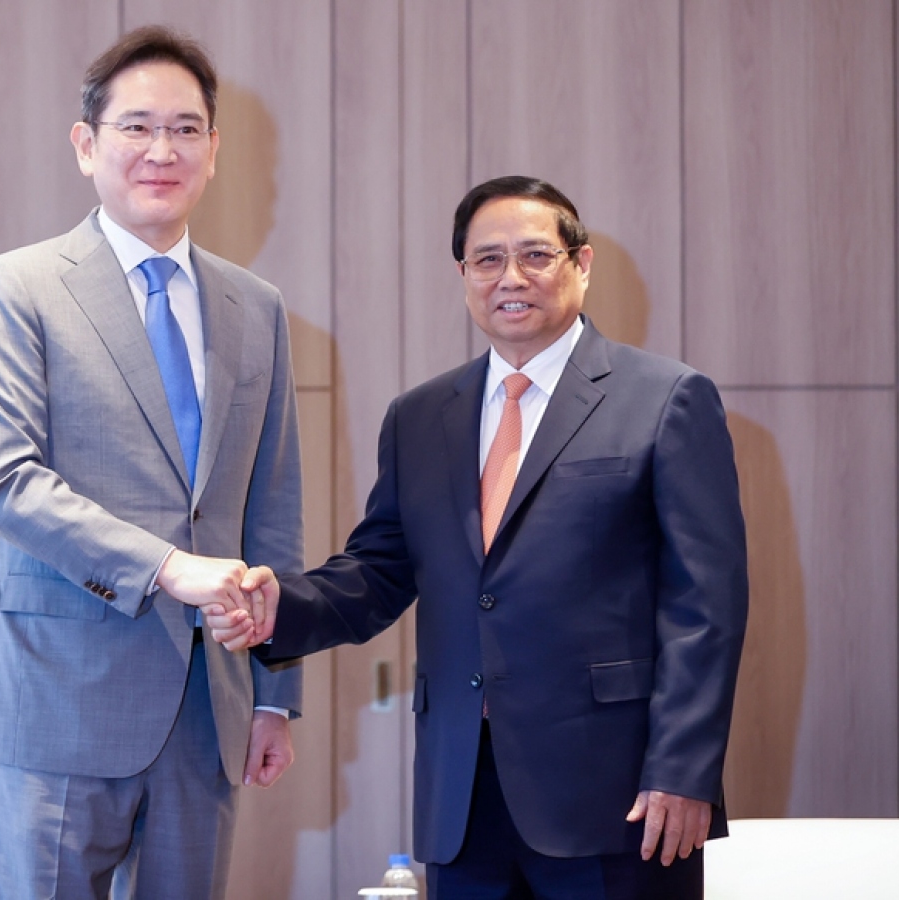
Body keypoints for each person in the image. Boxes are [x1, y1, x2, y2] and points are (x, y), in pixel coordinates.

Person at [210, 176, 748, 899]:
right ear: (463, 275)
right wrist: (282, 606)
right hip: (461, 797)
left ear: (582, 264)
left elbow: (705, 608)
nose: (511, 277)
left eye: (536, 255)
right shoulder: (420, 416)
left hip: (618, 798)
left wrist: (684, 770)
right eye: (487, 259)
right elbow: (379, 571)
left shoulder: (666, 398)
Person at [0, 25, 302, 900]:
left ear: (214, 150)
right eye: (136, 127)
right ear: (86, 145)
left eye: (185, 129)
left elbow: (272, 506)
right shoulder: (16, 288)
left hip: (207, 712)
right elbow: (3, 478)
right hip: (56, 700)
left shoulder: (255, 307)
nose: (162, 150)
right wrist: (169, 568)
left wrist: (273, 693)